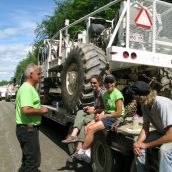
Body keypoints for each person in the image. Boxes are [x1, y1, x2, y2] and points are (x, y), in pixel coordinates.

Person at [75, 74, 125, 162]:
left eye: (111, 82)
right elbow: (106, 108)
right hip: (107, 116)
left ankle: (81, 151)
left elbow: (118, 113)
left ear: (115, 83)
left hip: (115, 118)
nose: (109, 84)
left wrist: (104, 115)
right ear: (104, 84)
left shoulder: (118, 95)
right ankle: (88, 152)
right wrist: (100, 114)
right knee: (87, 127)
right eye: (107, 82)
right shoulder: (105, 94)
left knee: (91, 129)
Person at [129, 81, 172, 172]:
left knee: (164, 151)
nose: (133, 97)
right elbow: (145, 127)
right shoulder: (144, 104)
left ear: (140, 95)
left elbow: (170, 136)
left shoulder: (162, 104)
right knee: (136, 141)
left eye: (134, 95)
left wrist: (145, 145)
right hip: (164, 133)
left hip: (170, 135)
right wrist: (138, 143)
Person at [16, 63, 48, 172]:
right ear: (31, 74)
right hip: (27, 130)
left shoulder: (28, 88)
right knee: (33, 163)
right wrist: (41, 110)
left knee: (27, 160)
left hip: (26, 129)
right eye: (38, 73)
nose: (40, 75)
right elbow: (25, 110)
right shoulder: (26, 89)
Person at [62, 75, 105, 153]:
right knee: (80, 112)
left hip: (100, 113)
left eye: (94, 83)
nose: (92, 84)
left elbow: (106, 109)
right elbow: (97, 105)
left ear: (100, 83)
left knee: (85, 120)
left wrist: (94, 111)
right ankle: (73, 134)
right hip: (96, 110)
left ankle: (80, 146)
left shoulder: (103, 93)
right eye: (91, 83)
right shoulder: (95, 91)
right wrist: (90, 107)